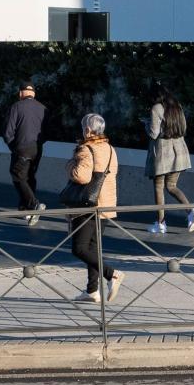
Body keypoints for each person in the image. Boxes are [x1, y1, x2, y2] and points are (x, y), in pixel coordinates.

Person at [66, 113, 124, 303]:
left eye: (83, 128)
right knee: (93, 248)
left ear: (88, 130)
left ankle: (112, 274)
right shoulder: (110, 149)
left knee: (79, 248)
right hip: (106, 204)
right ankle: (92, 291)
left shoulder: (86, 148)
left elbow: (81, 176)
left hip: (87, 206)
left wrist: (70, 164)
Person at [145, 85, 194, 233]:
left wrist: (146, 124)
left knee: (158, 187)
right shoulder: (177, 106)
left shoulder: (156, 108)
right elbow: (184, 127)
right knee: (171, 186)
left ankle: (161, 223)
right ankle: (191, 211)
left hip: (163, 153)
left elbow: (153, 133)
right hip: (179, 151)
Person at [2, 81, 48, 225]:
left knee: (17, 176)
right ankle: (25, 209)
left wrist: (14, 147)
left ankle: (34, 205)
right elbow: (47, 132)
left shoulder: (16, 107)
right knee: (30, 176)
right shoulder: (43, 108)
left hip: (21, 147)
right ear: (33, 94)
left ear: (21, 93)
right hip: (37, 148)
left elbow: (7, 132)